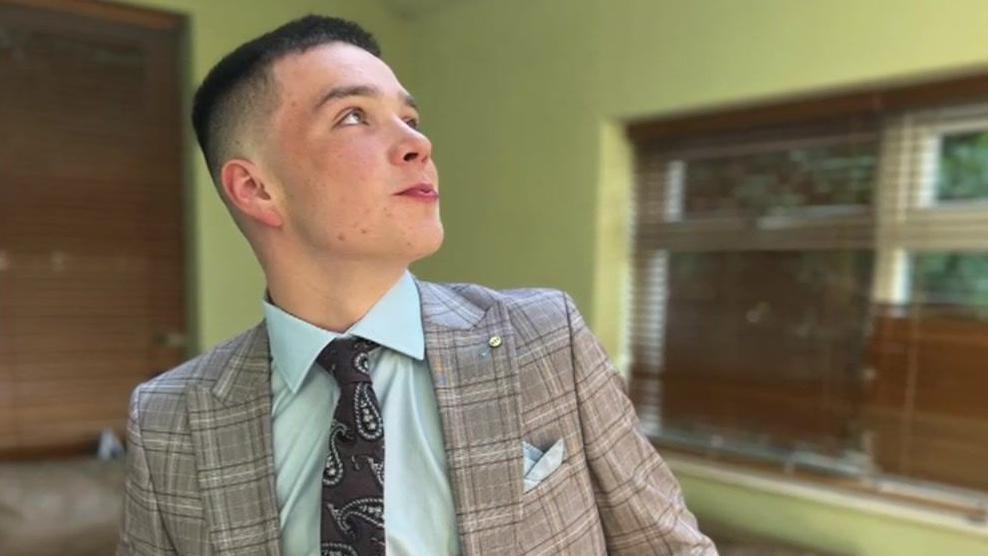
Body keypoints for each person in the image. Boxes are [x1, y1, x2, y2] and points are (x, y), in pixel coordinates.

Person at [117, 14, 717, 556]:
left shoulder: (543, 339)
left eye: (409, 119)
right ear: (256, 188)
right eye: (353, 116)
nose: (418, 144)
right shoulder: (171, 418)